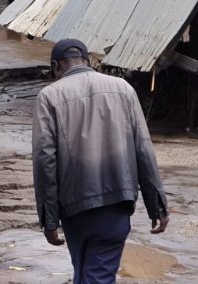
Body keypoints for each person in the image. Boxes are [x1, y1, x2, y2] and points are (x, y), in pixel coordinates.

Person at [32, 39, 169, 284]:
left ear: (55, 66)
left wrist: (49, 219)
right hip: (117, 202)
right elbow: (143, 149)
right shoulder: (123, 88)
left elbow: (45, 160)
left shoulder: (49, 96)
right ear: (88, 61)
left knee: (86, 271)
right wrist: (156, 203)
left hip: (75, 209)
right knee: (95, 274)